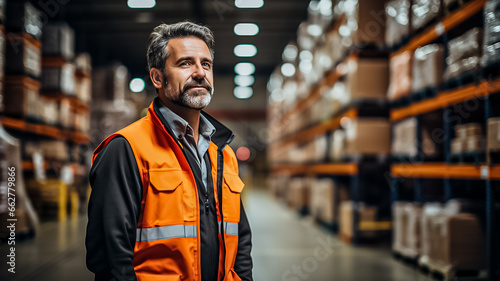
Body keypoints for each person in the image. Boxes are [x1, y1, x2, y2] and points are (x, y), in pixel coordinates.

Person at [85, 21, 253, 281]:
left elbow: (241, 238)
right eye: (186, 63)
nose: (200, 73)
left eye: (205, 64)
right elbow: (109, 260)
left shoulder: (223, 153)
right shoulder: (126, 149)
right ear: (157, 77)